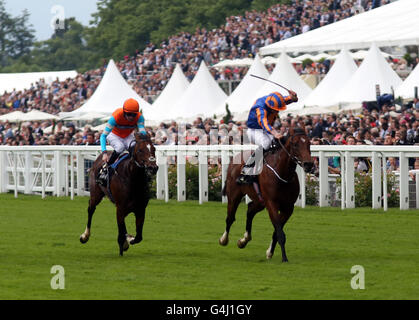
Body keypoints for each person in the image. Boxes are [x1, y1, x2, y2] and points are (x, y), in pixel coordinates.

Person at [236, 90, 298, 185]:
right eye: (275, 109)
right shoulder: (260, 108)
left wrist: (293, 97)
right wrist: (275, 133)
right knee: (266, 144)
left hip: (265, 130)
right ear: (269, 106)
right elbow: (264, 123)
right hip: (254, 130)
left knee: (279, 142)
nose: (277, 111)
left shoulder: (275, 100)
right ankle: (246, 171)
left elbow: (288, 99)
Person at [97, 98, 146, 185]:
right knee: (120, 147)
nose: (131, 117)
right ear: (124, 112)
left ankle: (138, 170)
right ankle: (106, 170)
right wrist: (104, 153)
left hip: (128, 136)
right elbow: (103, 136)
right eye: (128, 114)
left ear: (137, 114)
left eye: (133, 115)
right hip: (114, 135)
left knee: (135, 146)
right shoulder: (115, 117)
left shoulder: (140, 117)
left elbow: (143, 133)